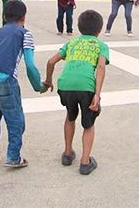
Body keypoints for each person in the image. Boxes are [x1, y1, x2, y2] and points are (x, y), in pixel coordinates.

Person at [0, 0, 47, 169]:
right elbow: (30, 65)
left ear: (4, 16)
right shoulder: (25, 33)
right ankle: (13, 157)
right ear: (24, 18)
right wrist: (39, 86)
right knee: (15, 120)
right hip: (7, 79)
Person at [44, 10, 109, 175]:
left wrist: (48, 80)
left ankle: (67, 153)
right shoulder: (101, 46)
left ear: (79, 28)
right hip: (86, 87)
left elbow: (51, 61)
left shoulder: (72, 43)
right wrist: (97, 94)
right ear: (99, 30)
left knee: (70, 116)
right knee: (89, 124)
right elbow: (101, 67)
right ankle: (85, 162)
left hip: (65, 86)